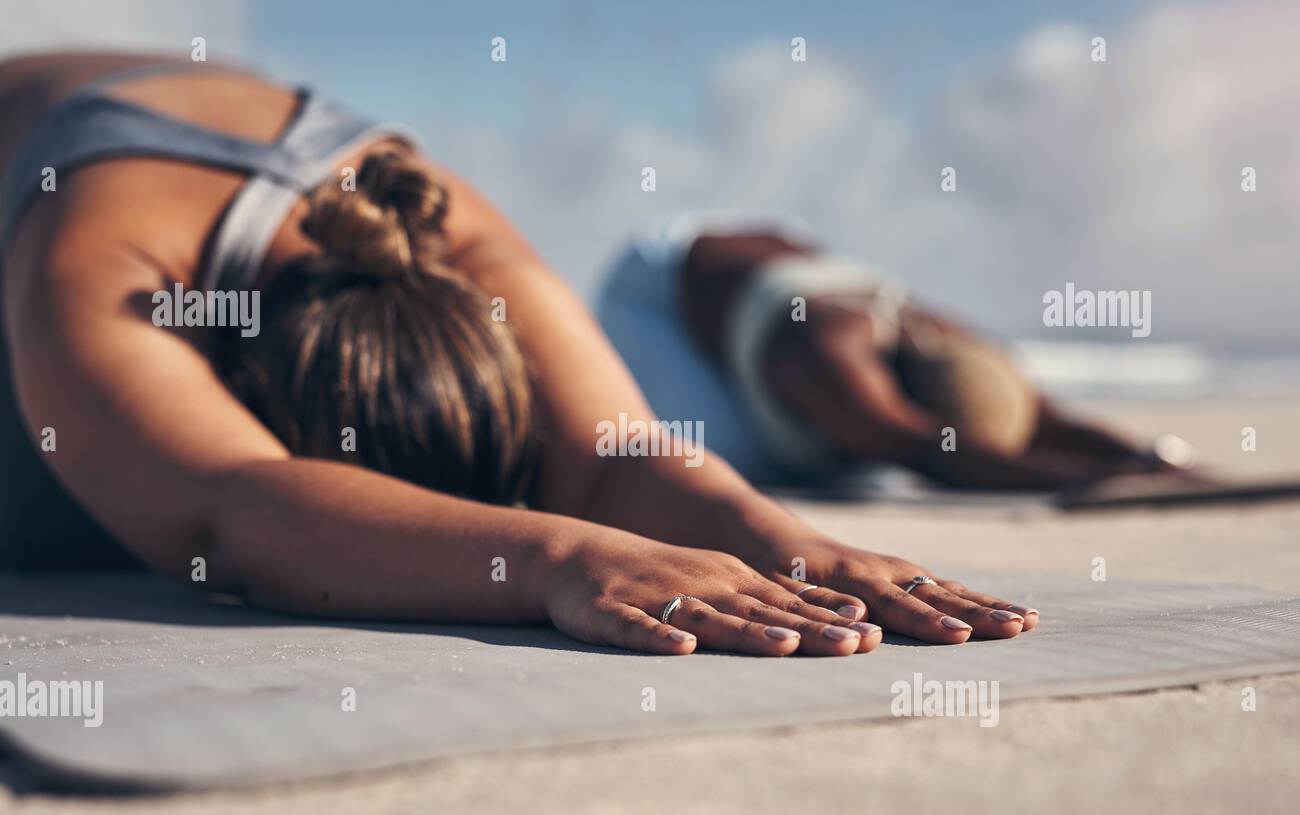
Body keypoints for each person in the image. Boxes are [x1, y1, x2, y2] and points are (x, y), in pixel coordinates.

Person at [0, 52, 1036, 657]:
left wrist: (783, 538)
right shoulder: (105, 261)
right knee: (92, 512)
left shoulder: (448, 233)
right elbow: (237, 504)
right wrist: (556, 555)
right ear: (240, 385)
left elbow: (611, 451)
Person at [597, 212, 1182, 491]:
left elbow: (1047, 418)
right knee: (725, 461)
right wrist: (1102, 478)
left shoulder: (954, 343)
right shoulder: (831, 360)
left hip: (765, 265)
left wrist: (1146, 456)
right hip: (657, 290)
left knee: (851, 465)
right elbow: (926, 450)